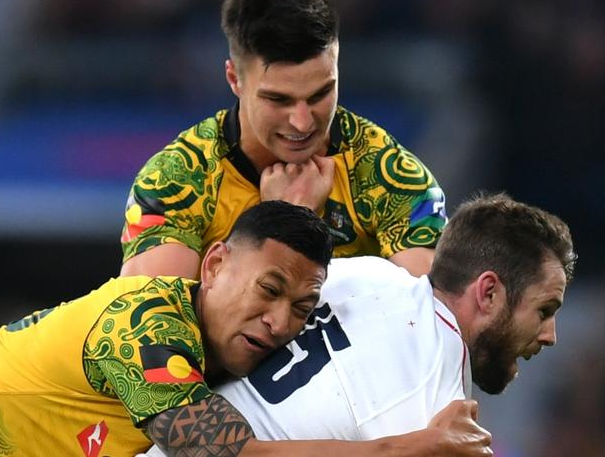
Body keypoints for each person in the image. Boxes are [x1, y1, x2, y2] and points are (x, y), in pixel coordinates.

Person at [145, 193, 575, 456]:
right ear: (489, 293)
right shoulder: (436, 415)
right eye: (544, 309)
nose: (549, 335)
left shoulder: (369, 274)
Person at [120, 0, 447, 280]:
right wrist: (283, 224)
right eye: (279, 100)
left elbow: (437, 320)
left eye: (321, 93)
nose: (303, 122)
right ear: (235, 79)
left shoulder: (389, 176)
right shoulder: (175, 181)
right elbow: (150, 324)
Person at [0, 201, 333, 456]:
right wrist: (386, 450)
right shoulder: (144, 322)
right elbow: (221, 452)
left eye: (301, 308)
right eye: (268, 290)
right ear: (215, 265)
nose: (280, 322)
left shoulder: (219, 352)